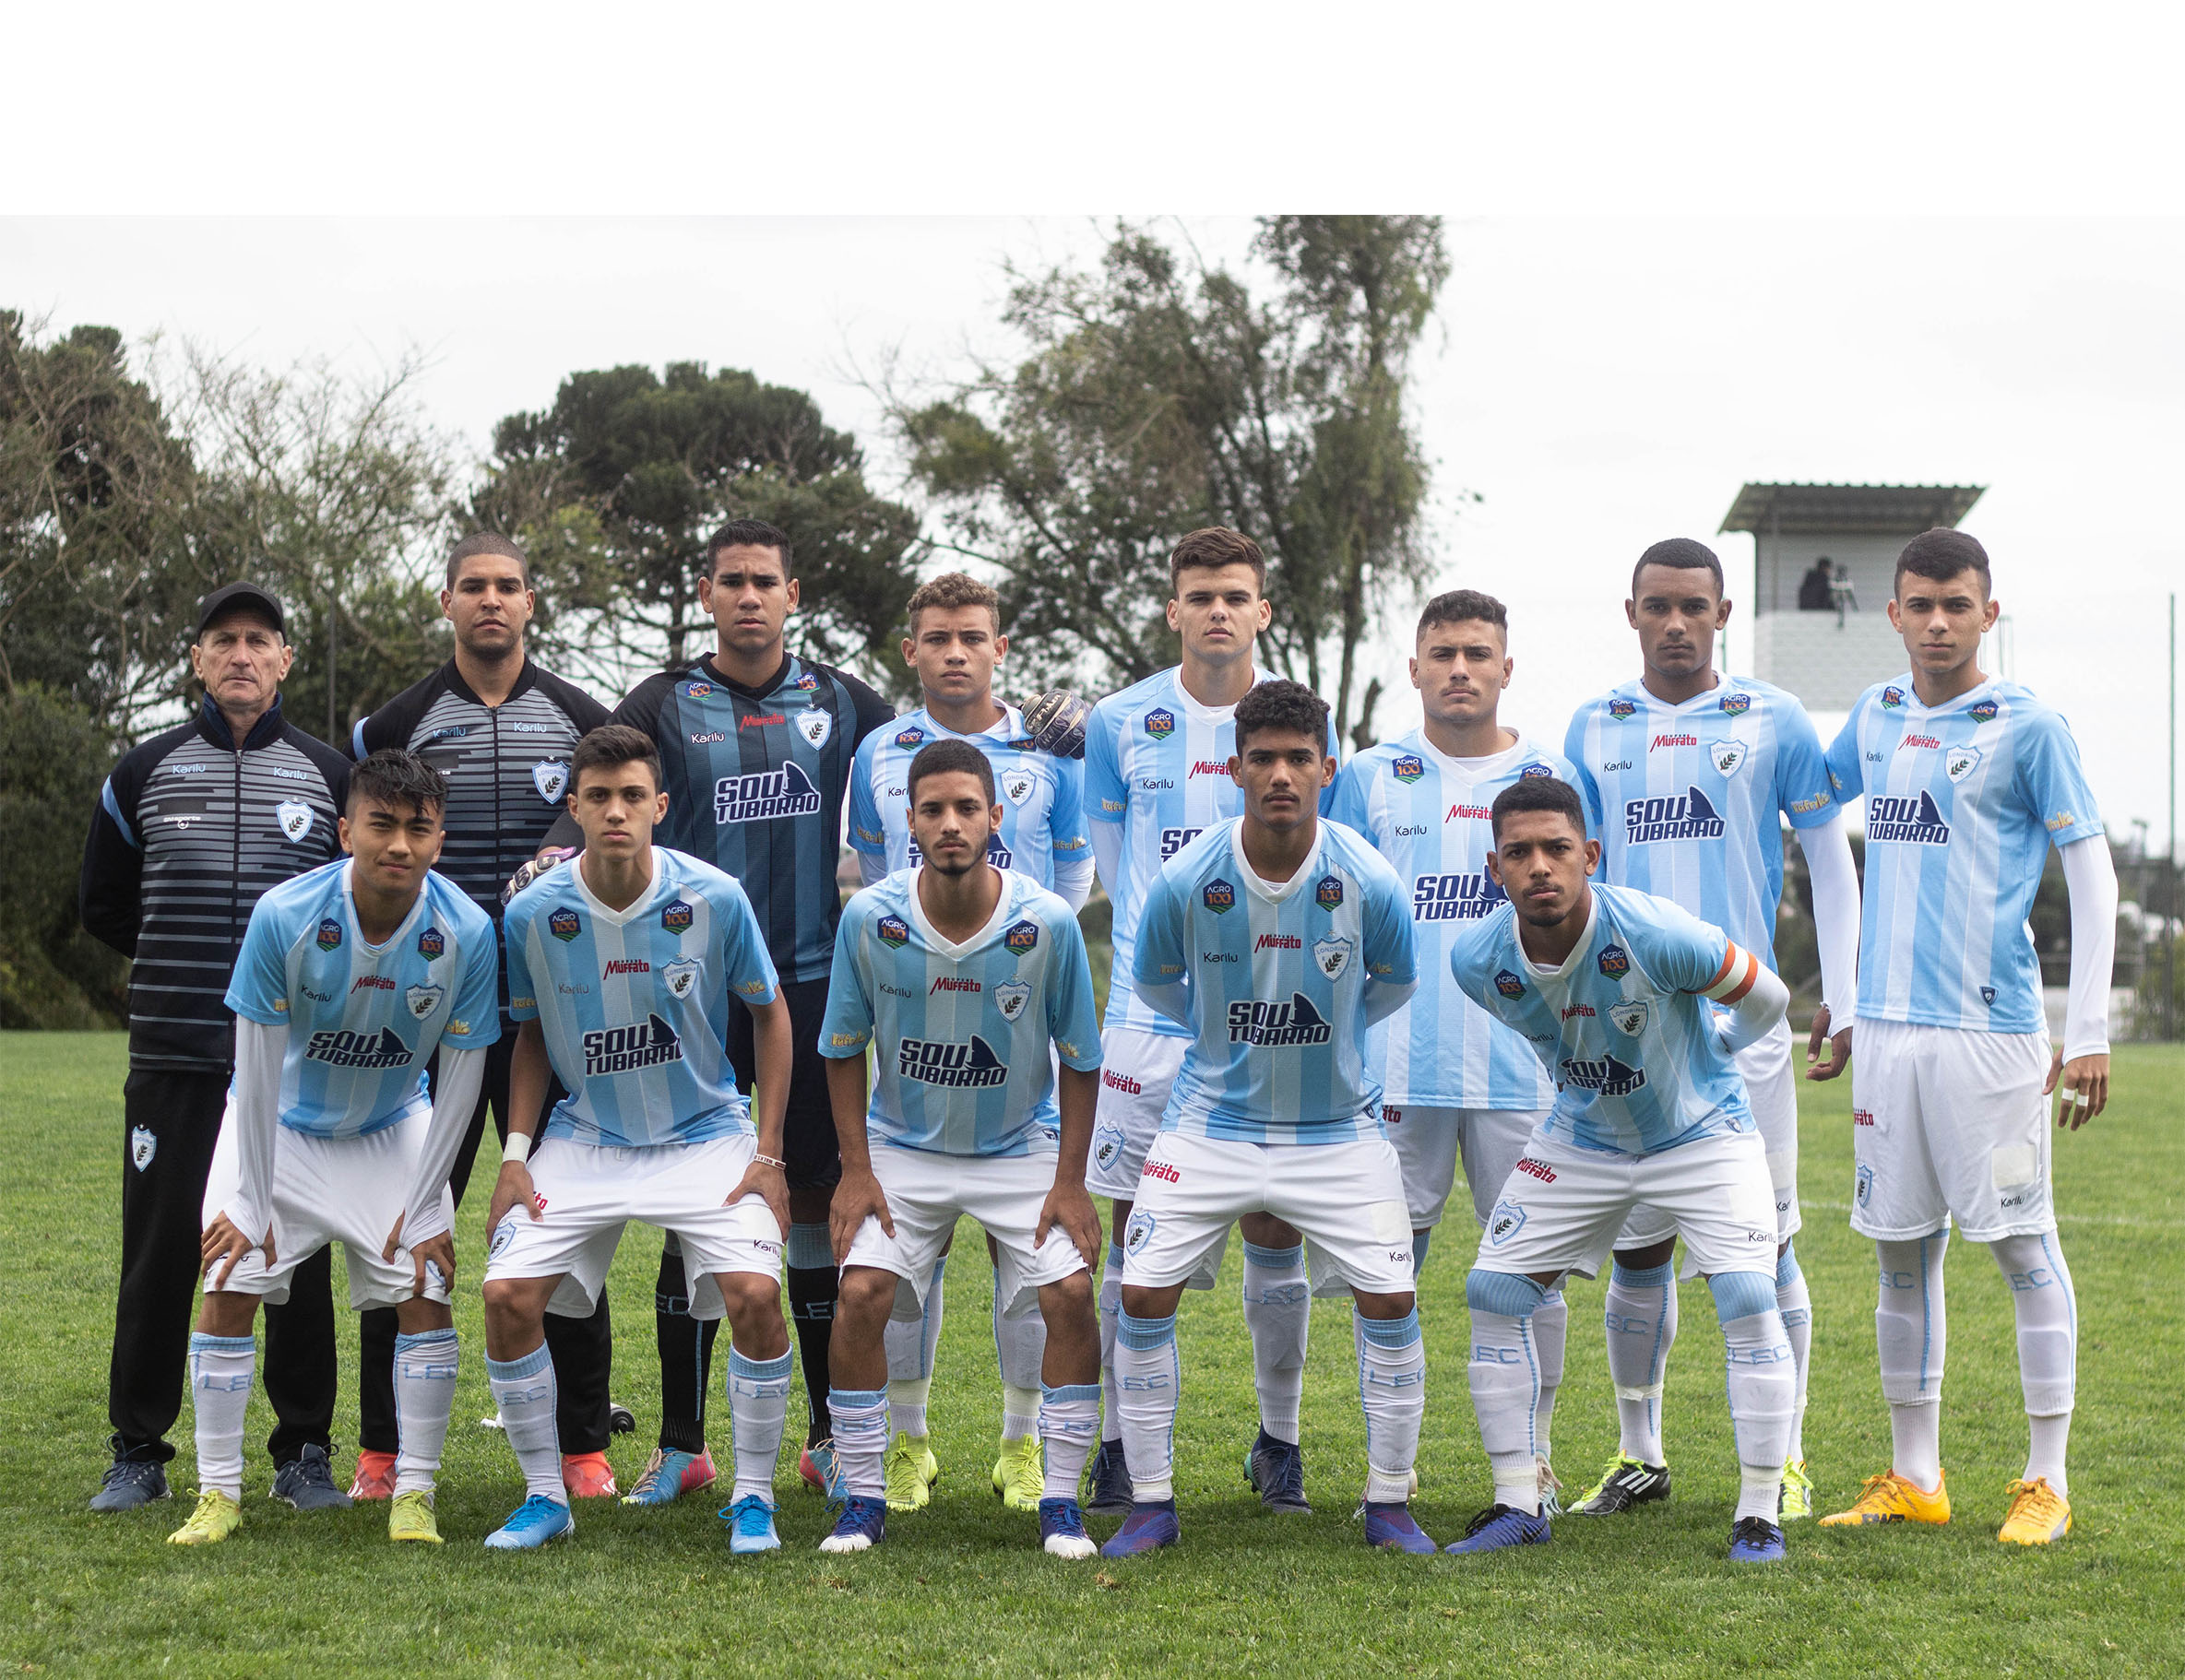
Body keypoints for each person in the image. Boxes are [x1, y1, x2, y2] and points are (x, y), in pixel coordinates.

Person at [529, 519, 894, 1502]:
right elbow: (606, 795)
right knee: (690, 1203)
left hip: (812, 982)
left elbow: (931, 756)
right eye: (729, 580)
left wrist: (1028, 721)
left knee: (814, 1201)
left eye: (763, 581)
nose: (746, 596)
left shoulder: (843, 701)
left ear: (793, 592)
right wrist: (550, 858)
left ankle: (822, 1434)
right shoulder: (659, 701)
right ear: (705, 593)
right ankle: (685, 1444)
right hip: (683, 988)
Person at [1818, 528, 2115, 1547]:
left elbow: (2091, 871)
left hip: (1990, 1036)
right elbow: (1805, 806)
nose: (1935, 621)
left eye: (1955, 604)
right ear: (1892, 614)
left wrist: (2087, 1029)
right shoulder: (1873, 714)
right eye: (1917, 604)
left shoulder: (2028, 725)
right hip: (1890, 1038)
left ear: (1989, 613)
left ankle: (2046, 1478)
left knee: (2025, 1251)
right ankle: (1913, 1474)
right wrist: (1840, 989)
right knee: (1897, 1253)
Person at [1562, 537, 1858, 1522]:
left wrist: (1841, 988)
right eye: (1657, 606)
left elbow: (1828, 857)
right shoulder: (1594, 725)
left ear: (1721, 612)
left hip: (1745, 1027)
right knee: (1638, 1246)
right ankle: (1638, 1452)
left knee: (1766, 1246)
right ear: (1631, 611)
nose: (1675, 623)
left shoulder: (1770, 717)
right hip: (1627, 1032)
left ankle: (1792, 1449)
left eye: (1693, 605)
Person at [1102, 679, 1434, 1558]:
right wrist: (1221, 1035)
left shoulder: (1365, 876)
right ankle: (1149, 1502)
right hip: (1207, 1125)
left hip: (1337, 1131)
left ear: (1326, 767)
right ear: (1233, 770)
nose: (1280, 774)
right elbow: (1154, 984)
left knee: (1392, 1299)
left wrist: (1326, 1037)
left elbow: (1393, 985)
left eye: (1298, 758)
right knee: (1140, 1294)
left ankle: (1390, 1503)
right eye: (1262, 759)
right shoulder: (1188, 877)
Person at [1446, 775, 1797, 1563]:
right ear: (1493, 869)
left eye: (1556, 849)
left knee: (1747, 1291)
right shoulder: (1477, 961)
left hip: (1702, 1133)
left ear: (1590, 856)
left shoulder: (1657, 933)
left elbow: (1769, 998)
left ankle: (1757, 1514)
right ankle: (1516, 1501)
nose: (1539, 865)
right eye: (1519, 852)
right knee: (1492, 1290)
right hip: (1583, 1140)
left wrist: (1718, 1052)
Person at [166, 750, 500, 1546]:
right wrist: (249, 1197)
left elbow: (461, 1079)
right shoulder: (286, 914)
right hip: (276, 1129)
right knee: (225, 1279)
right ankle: (217, 1494)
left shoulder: (468, 932)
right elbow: (250, 1067)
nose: (399, 845)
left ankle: (413, 1494)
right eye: (380, 825)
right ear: (347, 829)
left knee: (427, 1286)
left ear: (438, 839)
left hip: (390, 1129)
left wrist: (426, 1204)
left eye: (418, 829)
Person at [348, 531, 620, 1502]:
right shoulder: (399, 718)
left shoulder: (583, 714)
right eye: (474, 587)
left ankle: (583, 1447)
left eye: (508, 585)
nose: (491, 601)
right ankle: (381, 1449)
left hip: (554, 1010)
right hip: (432, 1007)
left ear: (532, 601)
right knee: (406, 1214)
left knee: (564, 1221)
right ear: (447, 601)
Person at [482, 725, 795, 1552]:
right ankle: (544, 1495)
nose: (615, 811)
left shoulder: (714, 896)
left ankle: (753, 1497)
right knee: (506, 1297)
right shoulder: (535, 912)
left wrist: (767, 1153)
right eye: (598, 797)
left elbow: (769, 1013)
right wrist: (514, 1156)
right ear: (574, 808)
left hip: (704, 1134)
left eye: (631, 797)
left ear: (658, 806)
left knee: (759, 1297)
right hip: (587, 1136)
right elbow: (529, 1038)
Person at [78, 581, 354, 1514]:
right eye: (222, 640)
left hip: (295, 1063)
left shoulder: (328, 775)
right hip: (175, 1054)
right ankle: (138, 1449)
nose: (241, 654)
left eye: (259, 640)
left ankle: (304, 1448)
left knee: (296, 1254)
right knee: (162, 1250)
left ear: (282, 660)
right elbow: (107, 906)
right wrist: (182, 965)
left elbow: (355, 912)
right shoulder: (142, 770)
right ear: (196, 660)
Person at [1079, 527, 1336, 1517]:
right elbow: (1117, 860)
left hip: (1272, 1009)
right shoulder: (1120, 720)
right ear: (1173, 607)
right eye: (1200, 595)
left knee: (1273, 1221)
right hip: (1148, 1019)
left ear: (1263, 609)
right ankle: (1115, 1444)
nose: (1217, 610)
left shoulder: (1301, 722)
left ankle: (1278, 1440)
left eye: (1236, 594)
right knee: (1132, 1231)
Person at [816, 739, 1106, 1558]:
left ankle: (1057, 1499)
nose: (950, 825)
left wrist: (1070, 1183)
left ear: (994, 818)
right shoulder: (869, 917)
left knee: (1071, 1296)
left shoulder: (1045, 921)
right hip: (902, 1150)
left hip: (1017, 1147)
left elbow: (1081, 1062)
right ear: (907, 820)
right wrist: (856, 1172)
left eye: (966, 809)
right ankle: (864, 1496)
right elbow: (841, 1049)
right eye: (933, 810)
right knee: (863, 1294)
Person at [847, 571, 1093, 1513]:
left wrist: (1020, 967)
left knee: (1026, 1254)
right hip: (914, 1019)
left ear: (999, 647)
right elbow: (875, 884)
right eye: (937, 636)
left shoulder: (1049, 747)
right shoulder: (877, 751)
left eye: (973, 636)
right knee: (907, 1254)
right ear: (910, 650)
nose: (955, 650)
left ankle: (1020, 1444)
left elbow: (1071, 883)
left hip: (1020, 1014)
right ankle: (906, 1444)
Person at [1328, 588, 1574, 1512]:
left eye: (1477, 653)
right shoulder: (1366, 775)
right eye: (1443, 653)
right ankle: (1390, 1466)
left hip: (1523, 1065)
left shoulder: (1550, 772)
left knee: (1531, 1271)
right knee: (1386, 1273)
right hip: (1395, 1066)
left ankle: (1534, 1462)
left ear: (1505, 667)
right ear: (1415, 668)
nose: (1460, 669)